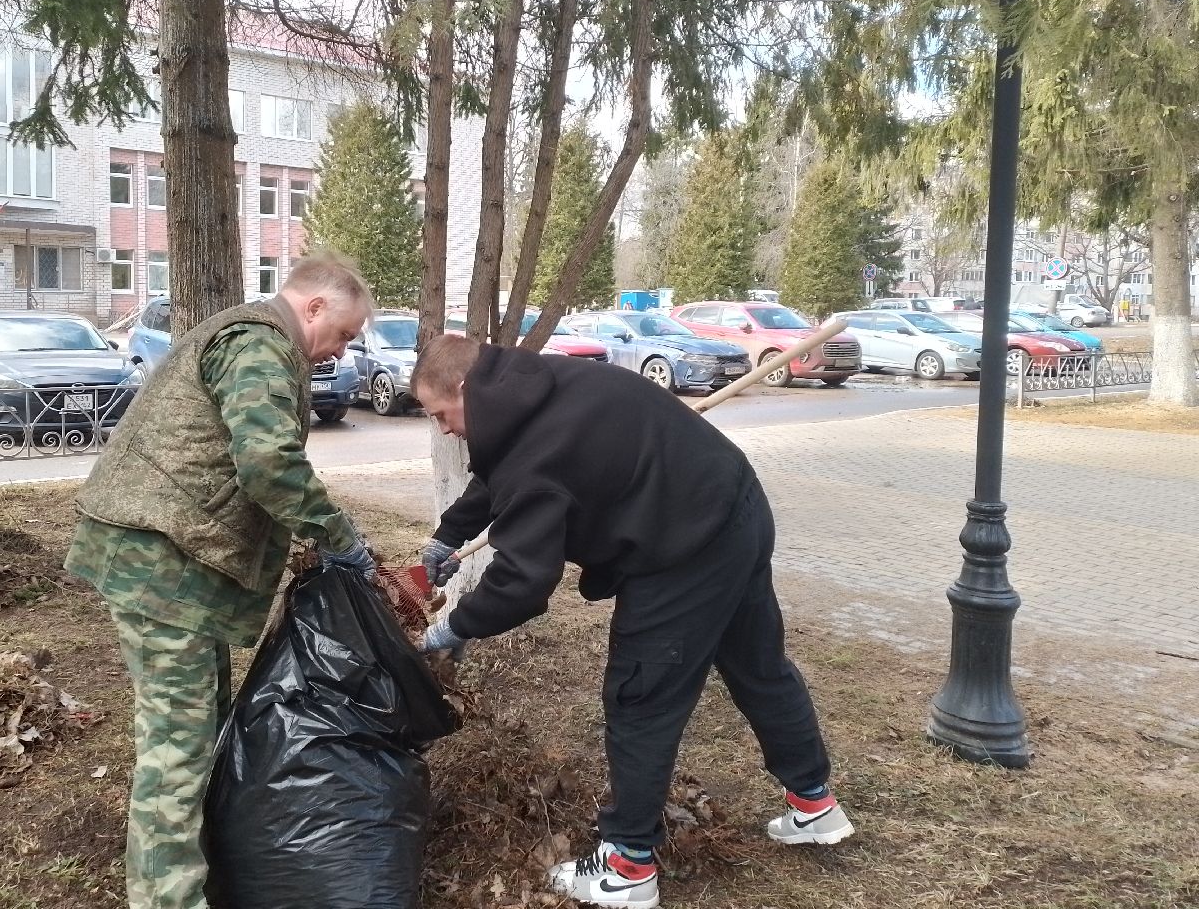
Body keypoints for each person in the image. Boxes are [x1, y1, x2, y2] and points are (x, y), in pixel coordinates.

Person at [413, 335, 853, 909]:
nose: (444, 429)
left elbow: (522, 581)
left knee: (641, 697)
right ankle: (815, 804)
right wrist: (448, 535)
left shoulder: (532, 454)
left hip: (683, 550)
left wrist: (452, 629)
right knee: (758, 665)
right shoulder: (537, 385)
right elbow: (499, 471)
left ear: (465, 389)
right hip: (735, 506)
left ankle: (627, 867)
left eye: (441, 414)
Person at [65, 250, 377, 909]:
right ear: (314, 307)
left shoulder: (259, 340)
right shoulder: (260, 344)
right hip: (160, 567)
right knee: (176, 746)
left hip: (178, 565)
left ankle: (195, 878)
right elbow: (268, 463)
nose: (341, 351)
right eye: (344, 333)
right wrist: (339, 538)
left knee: (199, 729)